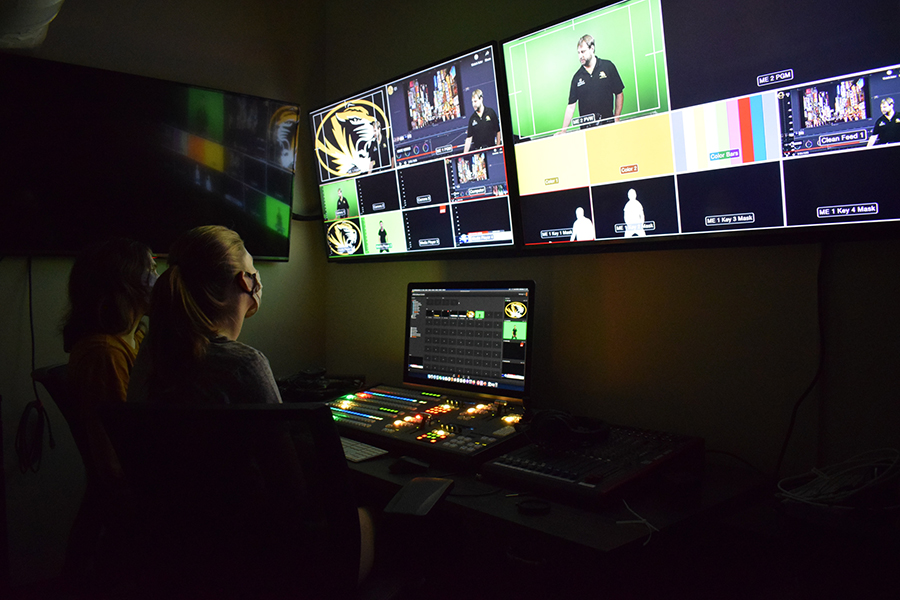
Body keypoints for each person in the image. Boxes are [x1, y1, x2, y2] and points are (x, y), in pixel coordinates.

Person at [127, 225, 375, 582]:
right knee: (382, 512)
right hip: (263, 553)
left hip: (189, 552)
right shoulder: (245, 364)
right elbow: (293, 491)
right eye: (256, 271)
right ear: (246, 282)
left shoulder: (149, 355)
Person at [61, 237, 156, 588]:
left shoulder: (132, 341)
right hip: (131, 504)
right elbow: (116, 457)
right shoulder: (105, 352)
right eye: (150, 271)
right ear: (125, 282)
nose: (157, 280)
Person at [557, 34, 624, 135]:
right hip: (587, 132)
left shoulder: (608, 66)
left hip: (608, 126)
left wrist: (616, 118)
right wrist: (563, 131)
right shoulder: (577, 77)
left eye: (583, 51)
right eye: (578, 53)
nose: (580, 56)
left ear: (592, 48)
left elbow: (619, 93)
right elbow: (571, 106)